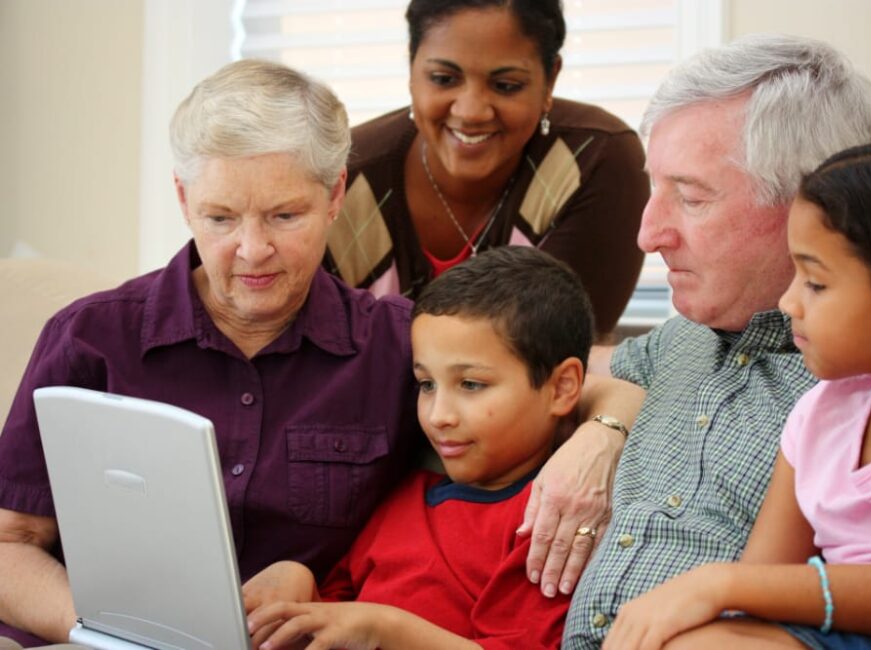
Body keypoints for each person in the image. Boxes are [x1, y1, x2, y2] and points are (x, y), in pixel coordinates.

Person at [0, 60, 639, 647]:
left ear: (335, 196)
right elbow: (12, 545)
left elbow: (605, 375)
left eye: (284, 216)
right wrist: (108, 634)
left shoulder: (398, 342)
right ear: (183, 200)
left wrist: (603, 433)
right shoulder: (89, 337)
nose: (252, 250)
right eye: (221, 218)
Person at [563, 34, 871, 648]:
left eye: (689, 196)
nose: (647, 234)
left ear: (812, 202)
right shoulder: (678, 339)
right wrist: (601, 428)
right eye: (655, 188)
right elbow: (569, 375)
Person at [602, 134, 871, 649]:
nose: (787, 301)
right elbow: (765, 579)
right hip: (834, 634)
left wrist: (716, 582)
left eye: (815, 283)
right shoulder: (819, 414)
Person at [245, 246, 639, 650]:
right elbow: (335, 620)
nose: (438, 415)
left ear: (562, 388)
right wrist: (299, 581)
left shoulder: (547, 521)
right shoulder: (404, 496)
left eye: (471, 384)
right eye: (426, 384)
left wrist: (385, 629)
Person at [323, 0, 648, 339]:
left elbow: (551, 355)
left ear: (550, 80)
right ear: (411, 68)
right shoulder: (339, 178)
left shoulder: (592, 161)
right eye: (444, 79)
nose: (471, 111)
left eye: (506, 85)